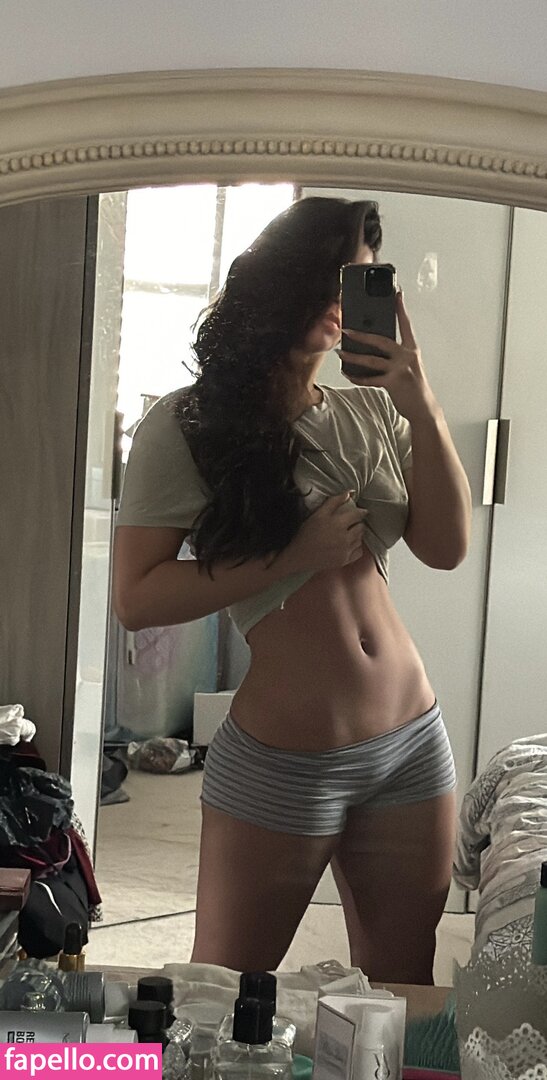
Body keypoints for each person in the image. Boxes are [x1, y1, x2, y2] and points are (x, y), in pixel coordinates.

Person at [113, 196, 472, 984]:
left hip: (411, 743)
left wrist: (422, 403)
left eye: (364, 278)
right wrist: (290, 555)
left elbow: (446, 549)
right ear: (282, 279)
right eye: (333, 274)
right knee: (220, 991)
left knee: (399, 988)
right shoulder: (185, 425)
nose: (346, 297)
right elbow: (137, 598)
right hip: (285, 760)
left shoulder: (371, 410)